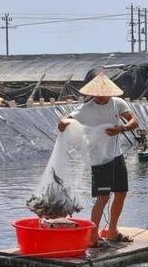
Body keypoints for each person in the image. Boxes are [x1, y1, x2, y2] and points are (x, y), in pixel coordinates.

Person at [58, 72, 139, 246]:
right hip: (99, 159)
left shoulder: (118, 103)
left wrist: (122, 128)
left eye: (104, 95)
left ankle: (112, 231)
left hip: (116, 155)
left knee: (121, 193)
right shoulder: (86, 109)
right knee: (102, 197)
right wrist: (62, 122)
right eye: (97, 95)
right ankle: (93, 237)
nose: (101, 98)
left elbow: (134, 121)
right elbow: (66, 120)